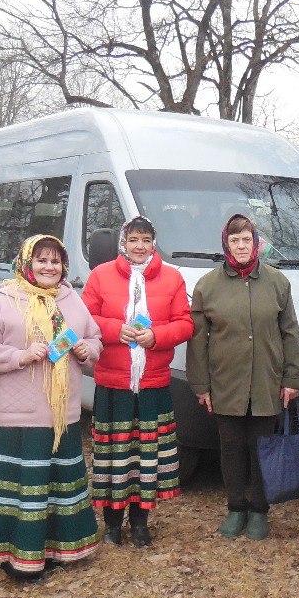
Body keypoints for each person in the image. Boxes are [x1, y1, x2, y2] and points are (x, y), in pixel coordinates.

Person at [0, 235, 103, 582]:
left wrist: (87, 349)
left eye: (55, 262)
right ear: (27, 263)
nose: (49, 267)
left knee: (54, 486)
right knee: (23, 488)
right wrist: (19, 355)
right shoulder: (4, 300)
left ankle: (56, 549)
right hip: (17, 416)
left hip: (62, 414)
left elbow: (94, 337)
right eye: (41, 260)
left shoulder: (72, 301)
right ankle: (17, 559)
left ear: (63, 267)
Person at [188, 214, 299, 541]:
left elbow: (289, 333)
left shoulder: (278, 283)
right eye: (235, 240)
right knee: (231, 448)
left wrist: (292, 378)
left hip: (267, 381)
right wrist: (201, 385)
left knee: (261, 449)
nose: (241, 246)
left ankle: (259, 510)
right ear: (226, 243)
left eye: (247, 239)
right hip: (226, 383)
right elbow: (198, 341)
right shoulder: (207, 286)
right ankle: (236, 507)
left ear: (256, 243)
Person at [82, 216, 195, 547]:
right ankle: (113, 524)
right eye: (133, 240)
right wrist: (116, 329)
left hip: (152, 384)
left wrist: (156, 336)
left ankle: (141, 522)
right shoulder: (100, 276)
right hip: (113, 385)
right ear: (123, 243)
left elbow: (185, 323)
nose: (140, 246)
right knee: (115, 456)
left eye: (146, 240)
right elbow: (85, 318)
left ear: (153, 243)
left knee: (146, 456)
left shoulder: (171, 278)